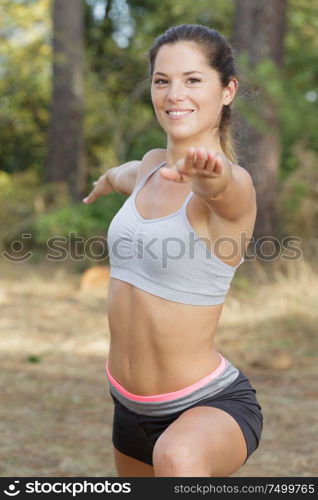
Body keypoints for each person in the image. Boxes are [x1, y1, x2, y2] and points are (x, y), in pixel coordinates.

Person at [83, 24, 263, 477]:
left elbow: (220, 189)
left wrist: (207, 173)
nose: (173, 93)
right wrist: (105, 181)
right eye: (162, 80)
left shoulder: (233, 185)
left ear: (228, 91)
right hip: (128, 407)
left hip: (207, 406)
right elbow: (124, 172)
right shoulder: (148, 168)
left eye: (193, 79)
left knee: (177, 458)